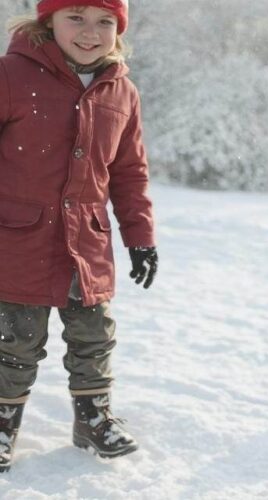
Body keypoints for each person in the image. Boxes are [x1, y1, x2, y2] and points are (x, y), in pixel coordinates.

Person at [0, 0, 158, 472]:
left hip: (85, 244)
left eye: (104, 22)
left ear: (119, 29)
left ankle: (92, 417)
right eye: (76, 18)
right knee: (14, 340)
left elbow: (130, 174)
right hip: (16, 241)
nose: (91, 33)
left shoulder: (122, 92)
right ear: (48, 20)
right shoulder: (11, 75)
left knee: (94, 338)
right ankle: (3, 422)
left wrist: (140, 237)